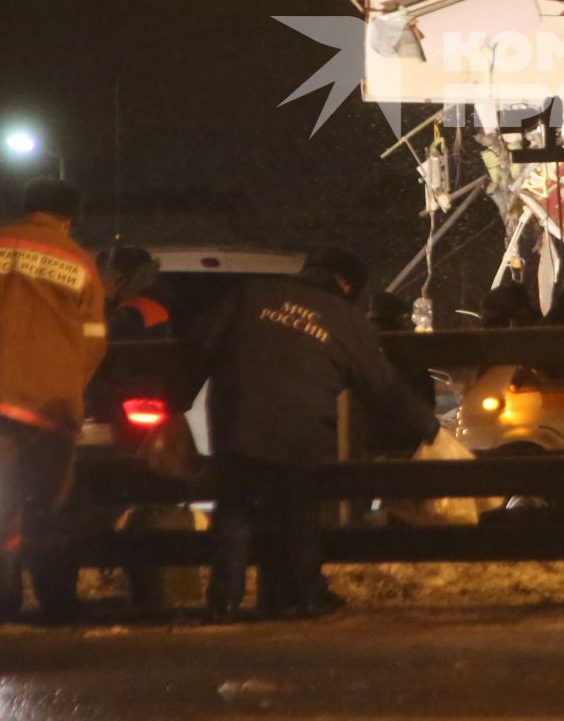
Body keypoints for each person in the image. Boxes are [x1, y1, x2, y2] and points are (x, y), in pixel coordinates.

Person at [182, 245, 438, 620]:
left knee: (234, 510)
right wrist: (428, 426)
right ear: (349, 286)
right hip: (299, 430)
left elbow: (199, 343)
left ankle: (224, 599)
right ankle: (306, 594)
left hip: (236, 419)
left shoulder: (251, 294)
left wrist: (176, 398)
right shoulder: (346, 321)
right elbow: (382, 385)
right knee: (299, 512)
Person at [0, 178, 106, 623]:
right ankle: (57, 604)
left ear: (26, 208)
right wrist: (68, 383)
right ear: (70, 220)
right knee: (48, 506)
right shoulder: (80, 262)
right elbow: (93, 342)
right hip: (50, 405)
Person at [102, 245, 173, 341]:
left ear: (119, 280)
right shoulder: (153, 308)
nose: (101, 281)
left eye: (107, 275)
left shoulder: (126, 317)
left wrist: (104, 302)